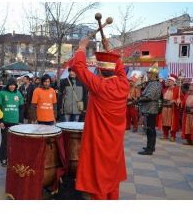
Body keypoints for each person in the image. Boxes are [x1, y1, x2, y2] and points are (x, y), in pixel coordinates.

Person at [67, 37, 129, 200]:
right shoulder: (124, 84)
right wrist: (109, 52)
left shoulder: (99, 86)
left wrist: (81, 47)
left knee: (98, 178)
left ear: (100, 71)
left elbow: (78, 67)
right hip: (115, 142)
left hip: (100, 140)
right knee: (112, 177)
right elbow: (120, 69)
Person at [0, 78, 24, 167]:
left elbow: (21, 108)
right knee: (5, 141)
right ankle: (3, 159)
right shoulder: (1, 93)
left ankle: (13, 158)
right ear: (7, 85)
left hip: (15, 122)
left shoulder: (18, 93)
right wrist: (0, 121)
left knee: (15, 142)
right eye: (10, 85)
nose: (12, 87)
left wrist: (20, 121)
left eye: (14, 85)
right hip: (5, 121)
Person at [137, 63, 162, 155]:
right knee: (149, 128)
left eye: (149, 73)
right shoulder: (152, 83)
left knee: (150, 129)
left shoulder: (155, 84)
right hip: (148, 109)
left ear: (153, 75)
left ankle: (150, 149)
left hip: (151, 109)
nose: (147, 74)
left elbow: (149, 97)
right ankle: (150, 146)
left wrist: (138, 100)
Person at [159, 74, 182, 142]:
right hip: (165, 108)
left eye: (169, 81)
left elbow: (182, 99)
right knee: (165, 122)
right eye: (168, 80)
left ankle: (173, 136)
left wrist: (176, 100)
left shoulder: (177, 90)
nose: (168, 82)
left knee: (172, 123)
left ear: (173, 82)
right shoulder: (164, 90)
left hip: (172, 109)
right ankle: (165, 134)